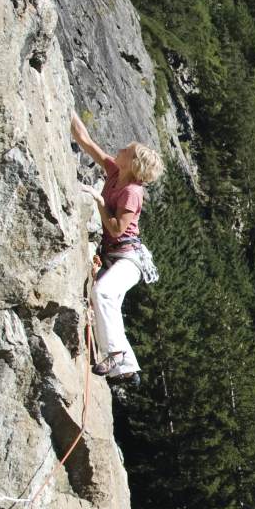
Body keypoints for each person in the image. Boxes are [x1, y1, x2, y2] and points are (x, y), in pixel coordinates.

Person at [71, 113, 163, 381]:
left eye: (127, 150)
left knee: (103, 294)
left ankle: (116, 356)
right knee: (107, 308)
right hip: (117, 256)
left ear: (134, 163)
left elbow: (115, 228)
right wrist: (70, 111)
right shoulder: (115, 171)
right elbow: (85, 141)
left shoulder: (132, 192)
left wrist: (99, 202)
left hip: (129, 260)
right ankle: (128, 367)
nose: (120, 149)